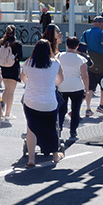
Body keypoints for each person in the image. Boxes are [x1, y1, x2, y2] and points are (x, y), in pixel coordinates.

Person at [20, 38, 63, 167]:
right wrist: (51, 85)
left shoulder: (28, 63)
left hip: (31, 101)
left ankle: (31, 159)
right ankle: (55, 155)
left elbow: (23, 78)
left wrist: (31, 85)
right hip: (49, 102)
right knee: (51, 128)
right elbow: (61, 79)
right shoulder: (55, 63)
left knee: (31, 129)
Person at [56, 35, 89, 145]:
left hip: (62, 85)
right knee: (75, 110)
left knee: (61, 110)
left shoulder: (59, 56)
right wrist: (87, 89)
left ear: (66, 45)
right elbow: (84, 76)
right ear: (77, 46)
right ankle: (73, 132)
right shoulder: (81, 59)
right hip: (76, 87)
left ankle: (59, 129)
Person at [0, 24, 23, 120]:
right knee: (11, 92)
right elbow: (20, 57)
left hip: (3, 68)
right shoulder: (17, 44)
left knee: (6, 90)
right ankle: (8, 113)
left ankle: (1, 110)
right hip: (13, 69)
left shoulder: (1, 43)